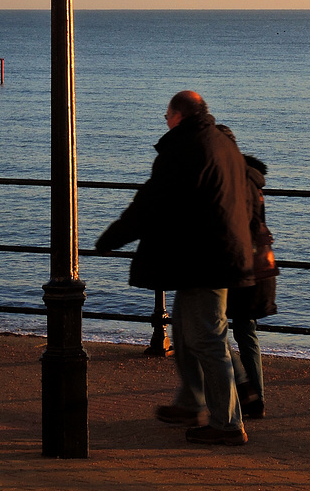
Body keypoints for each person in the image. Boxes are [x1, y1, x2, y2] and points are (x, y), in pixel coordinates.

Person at [95, 90, 254, 446]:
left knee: (207, 339)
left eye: (166, 114)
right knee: (186, 332)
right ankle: (192, 402)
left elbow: (151, 202)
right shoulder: (219, 142)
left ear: (178, 115)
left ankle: (227, 423)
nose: (165, 120)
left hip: (204, 259)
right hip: (216, 253)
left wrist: (111, 237)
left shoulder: (186, 148)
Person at [224, 148, 279, 420]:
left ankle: (244, 394)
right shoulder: (253, 180)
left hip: (235, 267)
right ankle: (255, 396)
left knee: (212, 331)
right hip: (253, 269)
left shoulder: (235, 180)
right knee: (245, 332)